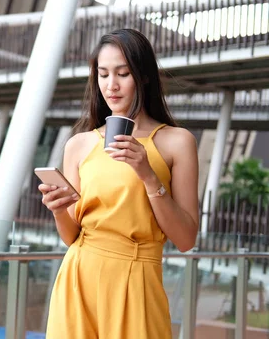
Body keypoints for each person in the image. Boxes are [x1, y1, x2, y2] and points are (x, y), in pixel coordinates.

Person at [40, 28, 199, 338]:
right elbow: (72, 236)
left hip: (138, 280)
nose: (110, 86)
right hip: (77, 278)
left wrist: (148, 174)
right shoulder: (79, 144)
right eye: (103, 74)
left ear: (144, 77)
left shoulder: (177, 142)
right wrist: (59, 209)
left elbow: (186, 239)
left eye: (123, 74)